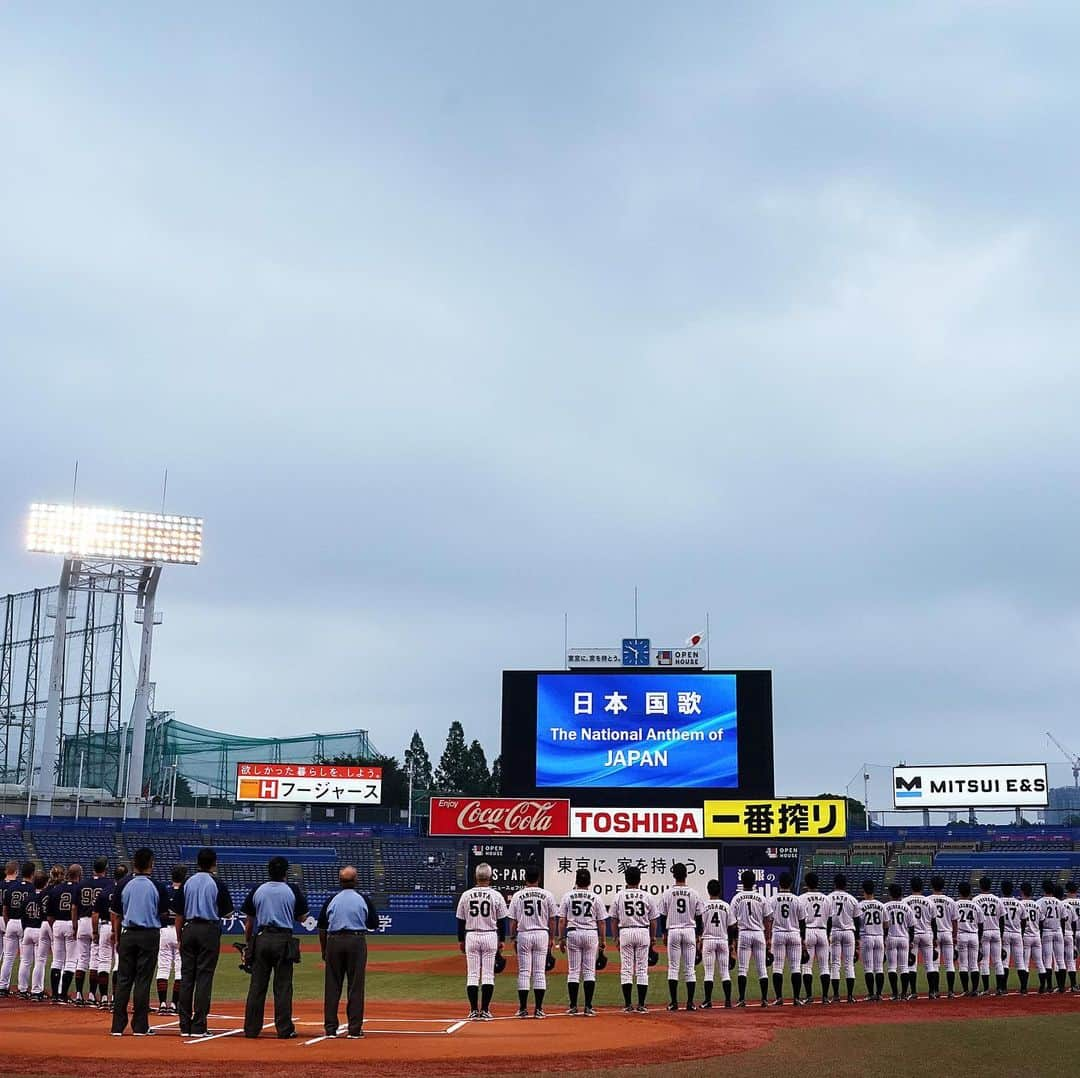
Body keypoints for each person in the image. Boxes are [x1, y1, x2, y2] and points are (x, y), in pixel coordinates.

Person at [242, 856, 309, 1038]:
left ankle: (251, 1029)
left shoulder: (258, 890)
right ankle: (284, 1029)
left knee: (257, 986)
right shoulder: (292, 890)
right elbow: (303, 917)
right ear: (286, 872)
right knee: (283, 986)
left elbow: (249, 921)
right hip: (283, 938)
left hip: (262, 938)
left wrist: (248, 944)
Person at [110, 847, 172, 1036]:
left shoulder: (123, 884)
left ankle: (117, 1026)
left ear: (133, 863)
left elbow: (116, 914)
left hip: (128, 933)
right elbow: (163, 913)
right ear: (151, 864)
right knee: (143, 981)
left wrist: (118, 937)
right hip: (148, 934)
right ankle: (140, 1026)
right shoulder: (157, 886)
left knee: (123, 980)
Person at [174, 847, 234, 1037]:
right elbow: (228, 912)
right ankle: (199, 1025)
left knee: (186, 978)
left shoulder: (187, 882)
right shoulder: (217, 883)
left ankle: (184, 1025)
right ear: (214, 863)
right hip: (208, 929)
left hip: (189, 928)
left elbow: (178, 914)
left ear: (198, 863)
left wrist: (179, 936)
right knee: (204, 977)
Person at [317, 865, 378, 1039]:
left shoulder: (332, 899)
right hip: (356, 941)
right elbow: (373, 924)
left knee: (332, 986)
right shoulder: (363, 899)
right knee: (355, 986)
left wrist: (324, 949)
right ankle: (354, 1029)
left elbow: (322, 927)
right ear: (356, 881)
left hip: (334, 942)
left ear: (340, 882)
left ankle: (330, 1029)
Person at [455, 862, 508, 1021]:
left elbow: (460, 920)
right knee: (488, 975)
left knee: (472, 975)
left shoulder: (466, 895)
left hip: (471, 935)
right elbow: (501, 921)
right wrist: (502, 939)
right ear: (490, 877)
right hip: (490, 935)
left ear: (475, 877)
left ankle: (473, 1010)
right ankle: (485, 1010)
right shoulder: (496, 895)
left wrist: (461, 940)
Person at [507, 865, 558, 1018]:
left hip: (524, 934)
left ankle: (522, 1008)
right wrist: (551, 937)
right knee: (539, 972)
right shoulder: (547, 895)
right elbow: (552, 919)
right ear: (539, 878)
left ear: (525, 878)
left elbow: (513, 921)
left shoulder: (517, 895)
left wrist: (513, 937)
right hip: (542, 933)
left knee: (524, 972)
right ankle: (539, 1009)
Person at [557, 867, 606, 1016]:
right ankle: (588, 1007)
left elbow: (561, 920)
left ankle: (573, 1006)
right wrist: (603, 940)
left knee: (573, 971)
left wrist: (561, 938)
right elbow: (602, 922)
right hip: (591, 933)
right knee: (589, 971)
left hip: (573, 933)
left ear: (576, 880)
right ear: (589, 882)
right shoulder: (596, 897)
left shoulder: (568, 896)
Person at [609, 865, 658, 1014]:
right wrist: (653, 937)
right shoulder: (647, 896)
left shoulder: (619, 895)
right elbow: (654, 920)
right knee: (642, 969)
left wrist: (616, 937)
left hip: (625, 931)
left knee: (626, 969)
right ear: (639, 879)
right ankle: (641, 1005)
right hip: (643, 931)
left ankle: (628, 1004)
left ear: (626, 879)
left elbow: (613, 918)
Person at [657, 862, 704, 1011]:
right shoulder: (694, 893)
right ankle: (690, 1003)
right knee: (690, 969)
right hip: (690, 930)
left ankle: (674, 1003)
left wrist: (664, 933)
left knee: (673, 968)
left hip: (674, 931)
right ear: (686, 875)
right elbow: (699, 917)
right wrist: (698, 935)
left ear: (674, 875)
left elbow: (663, 916)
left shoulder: (667, 893)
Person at [730, 869, 773, 1007]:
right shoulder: (761, 898)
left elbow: (732, 922)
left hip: (744, 934)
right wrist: (768, 938)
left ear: (742, 882)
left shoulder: (737, 898)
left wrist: (733, 940)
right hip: (759, 933)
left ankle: (742, 999)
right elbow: (768, 919)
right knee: (762, 968)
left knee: (743, 968)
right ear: (754, 882)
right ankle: (765, 999)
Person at [74, 858, 109, 1006]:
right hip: (97, 922)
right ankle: (92, 994)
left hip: (82, 921)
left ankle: (78, 994)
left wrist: (75, 925)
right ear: (105, 868)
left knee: (82, 959)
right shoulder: (108, 883)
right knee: (96, 959)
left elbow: (74, 906)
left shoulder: (82, 883)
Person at [93, 864, 127, 1009]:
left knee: (103, 962)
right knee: (118, 963)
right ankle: (114, 998)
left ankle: (104, 998)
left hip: (105, 926)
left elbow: (95, 914)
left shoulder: (104, 891)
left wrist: (95, 932)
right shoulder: (126, 890)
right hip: (120, 927)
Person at [769, 871, 804, 1006]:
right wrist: (803, 937)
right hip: (794, 934)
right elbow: (802, 921)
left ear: (779, 883)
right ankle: (796, 998)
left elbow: (769, 919)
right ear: (791, 884)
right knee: (796, 967)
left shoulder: (772, 899)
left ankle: (779, 998)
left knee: (777, 967)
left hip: (778, 934)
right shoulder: (797, 899)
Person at [48, 864, 81, 1003]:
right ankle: (63, 994)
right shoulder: (78, 888)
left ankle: (55, 994)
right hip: (70, 923)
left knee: (57, 960)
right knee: (71, 961)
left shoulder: (56, 889)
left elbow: (49, 914)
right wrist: (75, 927)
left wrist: (54, 925)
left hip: (57, 924)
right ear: (79, 875)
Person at [699, 879, 735, 1009]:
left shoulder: (704, 906)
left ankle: (708, 1001)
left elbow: (700, 925)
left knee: (709, 972)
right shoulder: (726, 906)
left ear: (708, 891)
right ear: (719, 891)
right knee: (725, 972)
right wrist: (731, 944)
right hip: (723, 940)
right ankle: (728, 1001)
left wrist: (699, 941)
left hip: (708, 940)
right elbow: (731, 926)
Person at [0, 861, 34, 996]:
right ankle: (23, 988)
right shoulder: (30, 888)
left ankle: (2, 987)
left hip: (10, 922)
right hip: (23, 922)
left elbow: (5, 909)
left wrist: (8, 923)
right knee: (25, 959)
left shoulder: (12, 887)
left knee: (8, 957)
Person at [156, 865, 187, 1014]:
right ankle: (174, 1004)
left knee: (163, 967)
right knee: (180, 969)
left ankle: (162, 1003)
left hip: (164, 930)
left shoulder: (164, 890)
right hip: (180, 931)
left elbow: (159, 912)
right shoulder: (186, 892)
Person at [826, 873, 860, 1003]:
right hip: (849, 932)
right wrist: (857, 938)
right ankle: (850, 996)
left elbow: (828, 919)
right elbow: (857, 920)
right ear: (846, 885)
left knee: (835, 963)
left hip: (834, 931)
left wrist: (827, 934)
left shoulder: (828, 898)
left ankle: (836, 995)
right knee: (849, 964)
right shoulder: (852, 899)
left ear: (834, 884)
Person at [799, 871, 831, 1005]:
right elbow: (829, 919)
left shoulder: (801, 898)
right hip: (823, 931)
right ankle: (825, 997)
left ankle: (809, 996)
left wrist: (801, 937)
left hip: (808, 931)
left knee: (807, 967)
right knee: (824, 966)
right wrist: (828, 935)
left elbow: (799, 919)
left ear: (806, 884)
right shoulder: (826, 898)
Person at [903, 877, 937, 1000]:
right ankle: (932, 992)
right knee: (930, 965)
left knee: (912, 965)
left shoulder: (905, 901)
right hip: (927, 934)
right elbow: (934, 922)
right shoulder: (929, 902)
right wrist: (935, 937)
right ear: (922, 887)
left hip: (913, 935)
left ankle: (913, 992)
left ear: (911, 887)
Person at [18, 871, 48, 1001]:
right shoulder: (45, 897)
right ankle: (36, 991)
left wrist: (25, 929)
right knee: (40, 961)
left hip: (27, 929)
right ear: (45, 883)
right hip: (38, 929)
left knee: (25, 961)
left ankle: (22, 989)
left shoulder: (27, 897)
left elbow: (22, 916)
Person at [974, 877, 1005, 996]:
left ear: (980, 886)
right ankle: (1000, 989)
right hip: (996, 931)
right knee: (998, 961)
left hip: (984, 931)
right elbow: (1002, 919)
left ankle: (986, 989)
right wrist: (1001, 935)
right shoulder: (997, 900)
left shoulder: (976, 899)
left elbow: (976, 918)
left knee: (984, 961)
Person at [883, 883, 914, 1001]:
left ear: (890, 894)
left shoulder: (885, 906)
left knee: (891, 967)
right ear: (901, 894)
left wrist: (884, 938)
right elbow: (912, 927)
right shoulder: (907, 907)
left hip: (891, 937)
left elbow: (884, 926)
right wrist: (911, 940)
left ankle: (895, 993)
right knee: (904, 967)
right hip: (904, 938)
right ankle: (904, 994)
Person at [1036, 878, 1066, 993]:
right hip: (1058, 930)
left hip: (1047, 932)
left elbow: (1040, 921)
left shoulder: (1039, 902)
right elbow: (1063, 919)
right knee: (1060, 960)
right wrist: (1062, 933)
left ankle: (1048, 986)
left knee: (1047, 960)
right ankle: (1062, 987)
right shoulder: (1059, 902)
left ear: (1043, 889)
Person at [930, 876, 958, 999]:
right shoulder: (950, 901)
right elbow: (955, 920)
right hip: (947, 933)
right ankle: (951, 991)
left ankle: (935, 990)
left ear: (932, 886)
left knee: (935, 964)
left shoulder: (928, 900)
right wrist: (955, 935)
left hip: (934, 934)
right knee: (949, 964)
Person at [857, 880, 886, 1002]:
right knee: (879, 968)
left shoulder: (860, 905)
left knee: (868, 968)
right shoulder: (881, 905)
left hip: (866, 937)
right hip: (879, 936)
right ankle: (879, 994)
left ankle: (870, 994)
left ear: (863, 890)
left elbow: (857, 923)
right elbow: (886, 924)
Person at [954, 881, 983, 998]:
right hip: (974, 935)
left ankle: (966, 990)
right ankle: (975, 990)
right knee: (974, 965)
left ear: (959, 891)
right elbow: (981, 925)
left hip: (961, 935)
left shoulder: (955, 904)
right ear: (970, 892)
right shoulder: (976, 906)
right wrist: (979, 940)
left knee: (963, 965)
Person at [999, 879, 1026, 994]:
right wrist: (1021, 932)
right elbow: (1024, 920)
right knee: (1020, 962)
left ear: (1002, 890)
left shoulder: (999, 901)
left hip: (1005, 933)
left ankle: (1003, 988)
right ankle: (1024, 988)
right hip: (1017, 933)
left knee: (1004, 962)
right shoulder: (1019, 903)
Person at [1019, 881, 1046, 994]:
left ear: (1022, 892)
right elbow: (1042, 920)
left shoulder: (1020, 904)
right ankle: (1042, 987)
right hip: (1036, 935)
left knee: (1025, 963)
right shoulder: (1036, 905)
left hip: (1026, 936)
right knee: (1040, 962)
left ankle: (1024, 988)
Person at [1064, 880, 1080, 992]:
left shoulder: (1064, 902)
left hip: (1070, 932)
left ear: (1067, 890)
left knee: (1071, 959)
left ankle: (1074, 984)